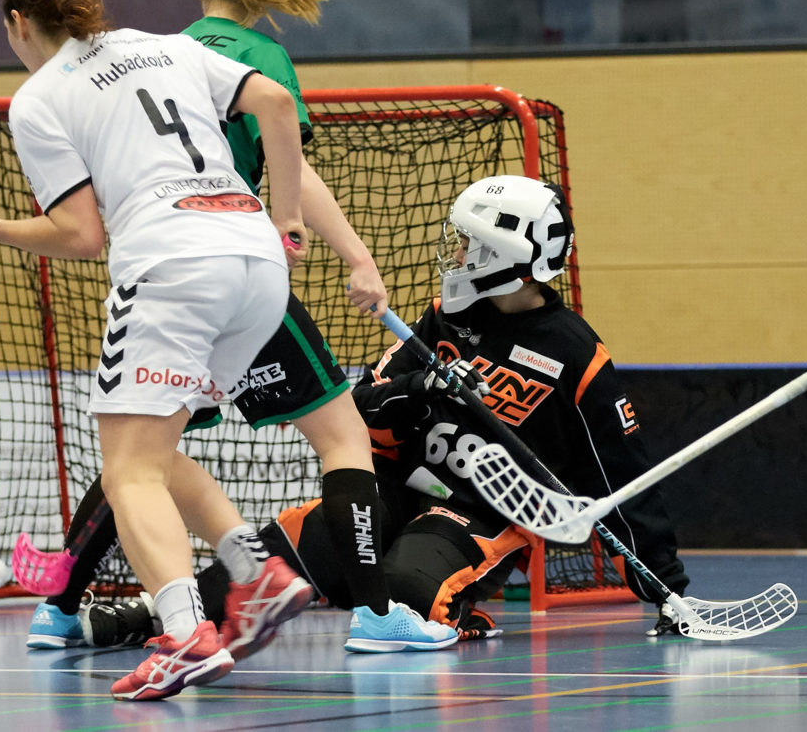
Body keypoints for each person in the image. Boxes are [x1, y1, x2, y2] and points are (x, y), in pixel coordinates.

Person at [26, 0, 458, 657]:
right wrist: (350, 252)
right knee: (340, 435)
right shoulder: (259, 55)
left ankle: (60, 606)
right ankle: (374, 610)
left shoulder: (162, 47)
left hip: (159, 275)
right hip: (238, 263)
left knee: (139, 452)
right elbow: (289, 156)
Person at [79, 174, 692, 648]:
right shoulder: (445, 318)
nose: (455, 253)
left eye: (469, 243)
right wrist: (420, 390)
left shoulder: (575, 355)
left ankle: (452, 617)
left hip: (481, 511)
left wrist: (664, 586)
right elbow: (360, 407)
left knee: (406, 589)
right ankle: (154, 615)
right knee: (285, 555)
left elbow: (623, 473)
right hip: (398, 488)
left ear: (506, 253)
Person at [0, 0, 318, 702]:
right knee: (153, 450)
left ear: (19, 23)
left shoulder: (40, 96)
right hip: (255, 264)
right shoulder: (172, 46)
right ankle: (257, 576)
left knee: (127, 472)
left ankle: (184, 635)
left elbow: (82, 235)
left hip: (173, 265)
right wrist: (288, 217)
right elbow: (276, 104)